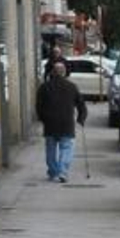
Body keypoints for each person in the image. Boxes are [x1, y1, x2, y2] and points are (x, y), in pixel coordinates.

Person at [36, 54, 86, 182]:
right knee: (66, 148)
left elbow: (39, 106)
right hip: (66, 123)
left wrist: (42, 118)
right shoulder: (71, 87)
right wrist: (81, 119)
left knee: (51, 150)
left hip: (50, 123)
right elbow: (81, 105)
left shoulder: (44, 87)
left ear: (52, 72)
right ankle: (63, 172)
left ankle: (53, 172)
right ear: (64, 73)